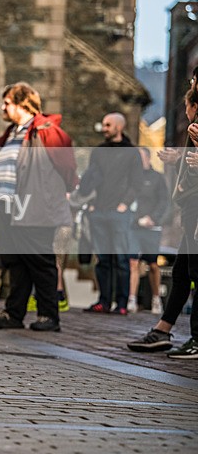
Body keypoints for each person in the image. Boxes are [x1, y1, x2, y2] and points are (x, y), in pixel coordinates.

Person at [0, 82, 77, 332]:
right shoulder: (13, 132)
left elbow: (66, 167)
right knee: (16, 263)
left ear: (22, 103)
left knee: (40, 261)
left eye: (7, 103)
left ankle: (49, 315)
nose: (3, 107)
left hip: (33, 206)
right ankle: (13, 313)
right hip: (7, 208)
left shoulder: (44, 131)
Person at [127, 86, 198, 358]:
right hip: (190, 204)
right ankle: (162, 329)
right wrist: (179, 158)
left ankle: (195, 338)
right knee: (182, 272)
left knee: (194, 272)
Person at [82, 113, 143, 315]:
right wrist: (91, 202)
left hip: (119, 214)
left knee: (121, 259)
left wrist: (124, 204)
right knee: (103, 259)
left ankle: (122, 304)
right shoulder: (98, 152)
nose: (104, 128)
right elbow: (90, 179)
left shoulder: (132, 153)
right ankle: (104, 301)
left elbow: (136, 182)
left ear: (119, 126)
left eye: (108, 125)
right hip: (98, 212)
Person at [127, 148, 168, 314]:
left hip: (152, 228)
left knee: (152, 264)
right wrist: (135, 219)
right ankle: (132, 299)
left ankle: (156, 298)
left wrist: (153, 218)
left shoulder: (157, 178)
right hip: (134, 227)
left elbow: (164, 202)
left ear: (147, 158)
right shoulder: (131, 178)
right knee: (133, 262)